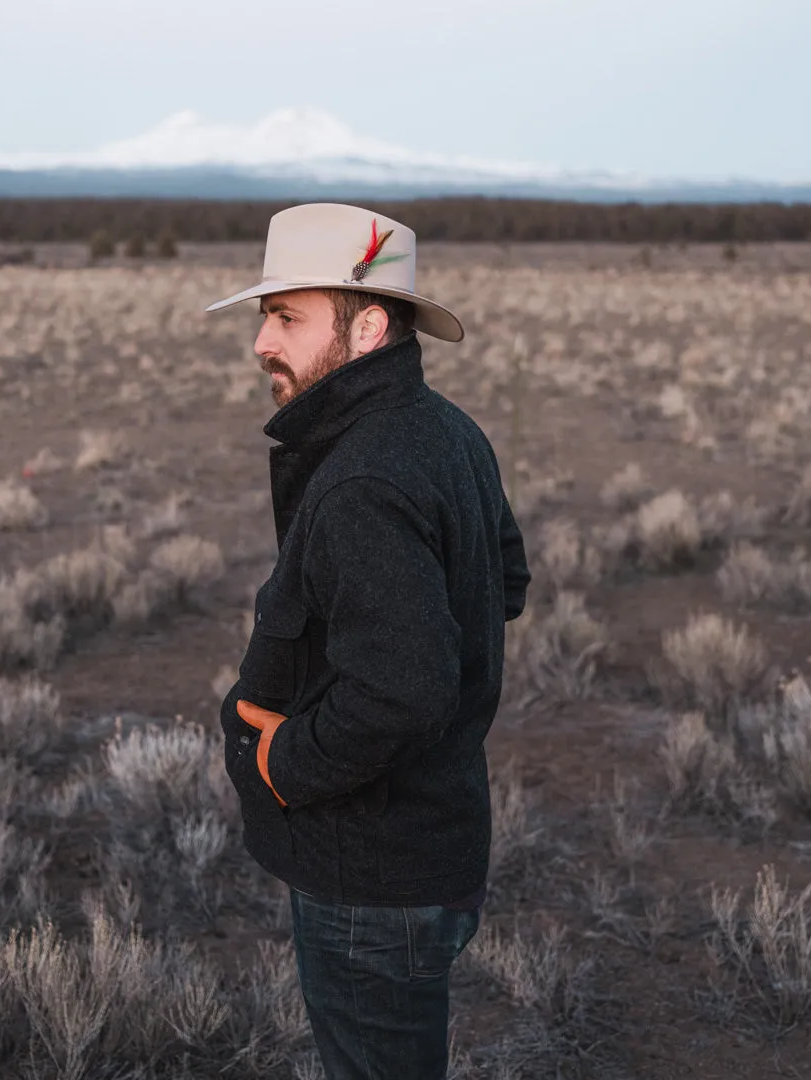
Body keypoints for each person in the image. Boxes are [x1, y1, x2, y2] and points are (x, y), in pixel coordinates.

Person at [205, 202, 531, 1080]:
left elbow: (402, 690)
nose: (262, 343)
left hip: (373, 874)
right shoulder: (446, 430)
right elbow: (504, 584)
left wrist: (282, 765)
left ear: (370, 325)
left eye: (286, 317)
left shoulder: (362, 477)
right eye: (265, 318)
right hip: (437, 835)